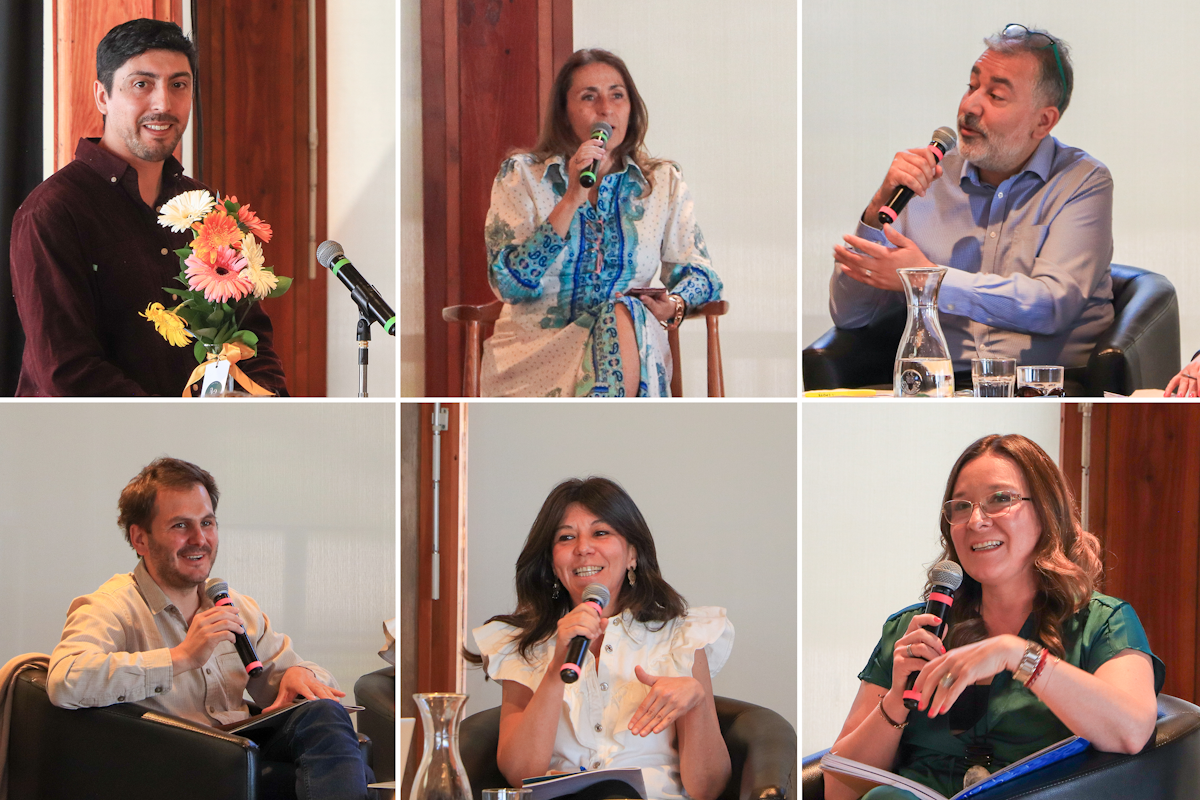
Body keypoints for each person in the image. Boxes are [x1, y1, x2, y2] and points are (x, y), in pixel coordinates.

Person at [824, 434, 1162, 800]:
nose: (977, 520)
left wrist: (1017, 655)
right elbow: (839, 789)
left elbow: (1130, 731)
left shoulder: (1104, 623)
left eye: (1001, 499)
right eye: (962, 506)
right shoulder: (911, 631)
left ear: (1047, 512)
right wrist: (895, 700)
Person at [47, 457, 370, 799]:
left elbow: (299, 677)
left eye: (207, 523)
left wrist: (300, 676)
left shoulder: (234, 605)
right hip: (175, 760)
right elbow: (66, 680)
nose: (200, 539)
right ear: (140, 539)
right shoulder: (111, 606)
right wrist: (181, 657)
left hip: (241, 747)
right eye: (180, 526)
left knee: (323, 714)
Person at [9, 19, 286, 396]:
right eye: (142, 84)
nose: (163, 104)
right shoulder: (53, 212)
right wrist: (173, 425)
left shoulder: (207, 211)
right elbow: (67, 370)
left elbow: (254, 342)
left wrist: (260, 402)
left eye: (179, 85)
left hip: (203, 446)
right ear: (103, 96)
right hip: (88, 446)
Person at [829, 25, 1113, 377]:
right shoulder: (925, 179)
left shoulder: (1082, 181)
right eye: (972, 86)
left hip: (1048, 383)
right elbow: (851, 316)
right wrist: (877, 208)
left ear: (1043, 121)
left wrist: (929, 280)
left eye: (996, 96)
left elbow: (1052, 305)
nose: (970, 106)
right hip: (940, 382)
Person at [470, 477, 734, 800]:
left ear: (632, 555)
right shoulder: (522, 644)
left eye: (601, 533)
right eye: (566, 537)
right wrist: (556, 667)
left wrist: (696, 703)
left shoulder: (681, 634)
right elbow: (520, 774)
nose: (583, 548)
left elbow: (709, 789)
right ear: (553, 563)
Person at [480, 49, 723, 397]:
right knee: (621, 315)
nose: (606, 108)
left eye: (617, 95)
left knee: (622, 312)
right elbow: (508, 285)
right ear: (564, 113)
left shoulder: (662, 183)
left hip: (632, 346)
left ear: (631, 109)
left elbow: (702, 275)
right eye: (589, 97)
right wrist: (571, 200)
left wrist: (675, 304)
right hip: (538, 353)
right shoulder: (522, 175)